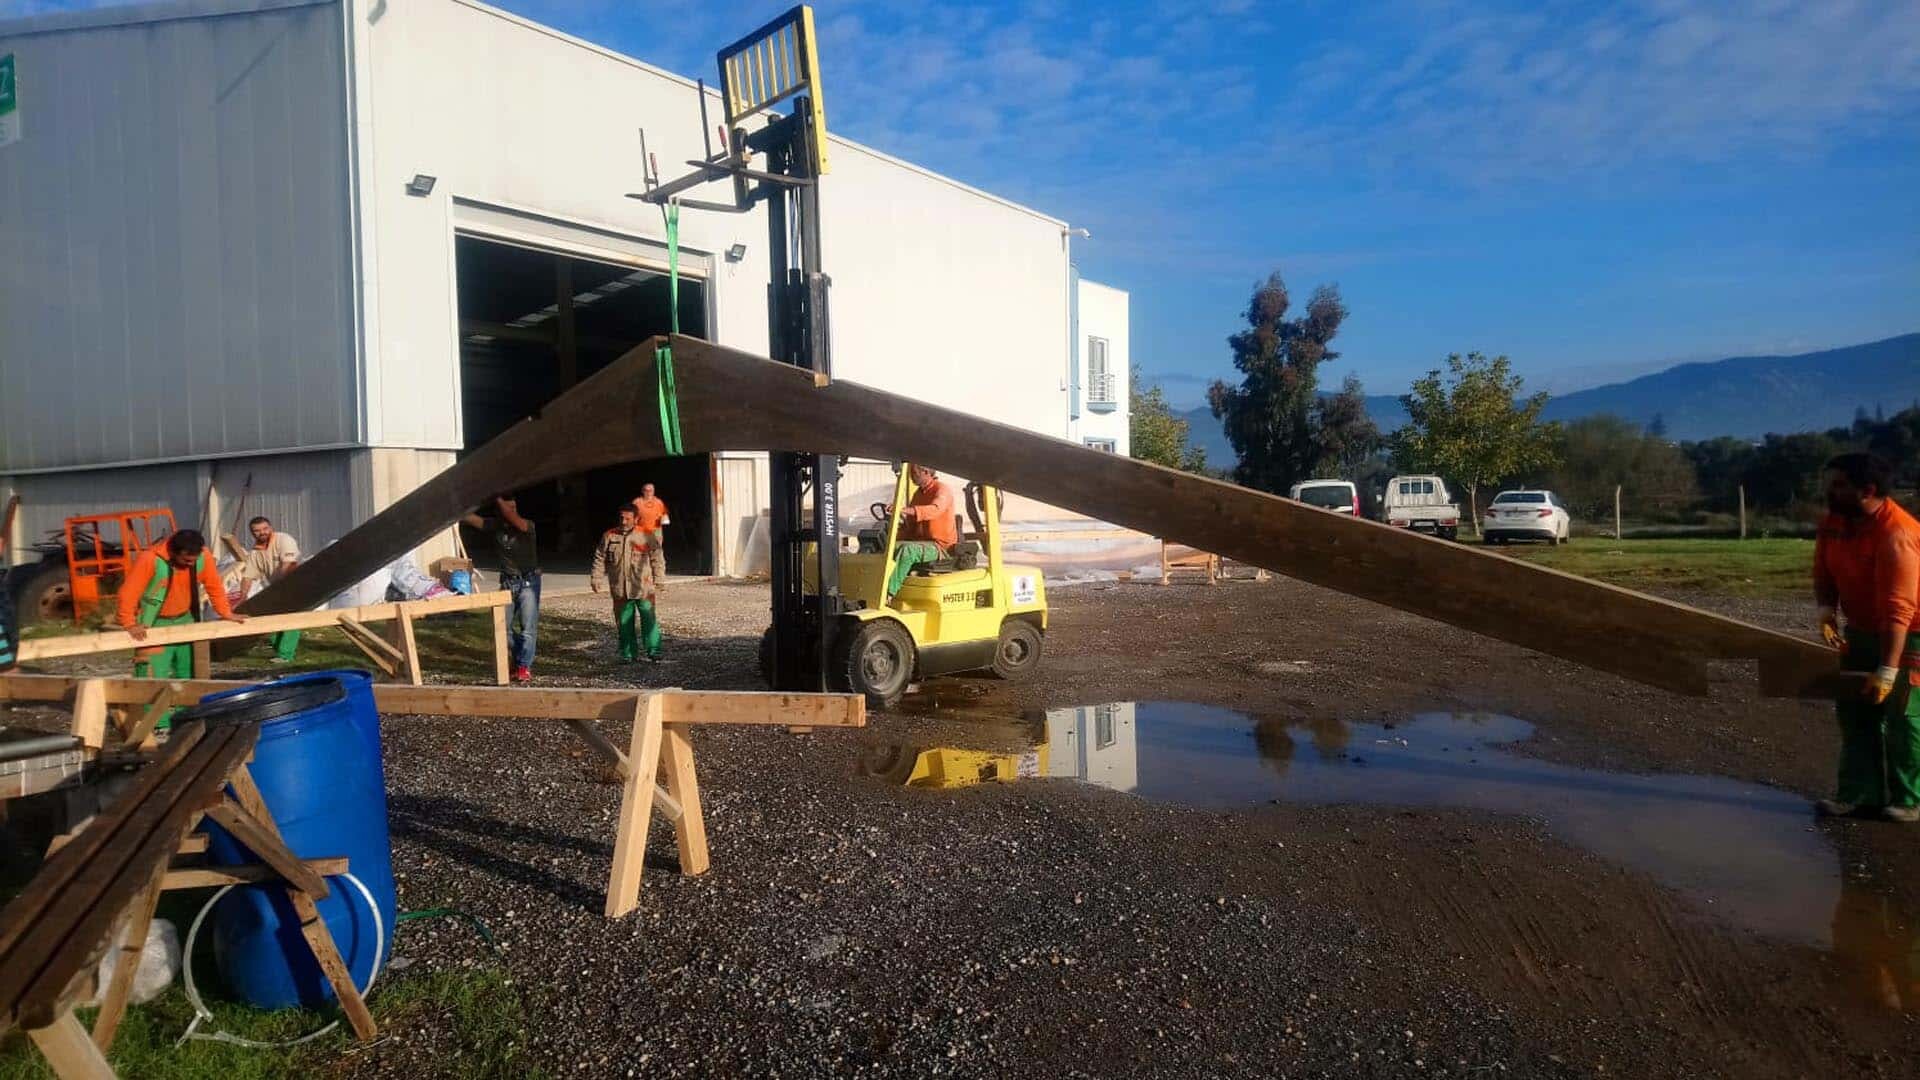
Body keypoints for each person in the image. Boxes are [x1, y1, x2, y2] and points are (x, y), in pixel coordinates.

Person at [1812, 452, 1920, 824]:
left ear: (1867, 490)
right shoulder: (1834, 522)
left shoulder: (1897, 533)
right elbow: (1823, 569)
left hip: (1909, 634)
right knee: (1855, 712)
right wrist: (1826, 610)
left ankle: (1909, 798)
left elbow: (1899, 607)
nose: (1831, 490)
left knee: (1904, 718)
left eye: (1840, 484)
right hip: (1860, 629)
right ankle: (1859, 794)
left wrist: (1888, 669)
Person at [117, 529, 246, 693]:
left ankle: (186, 717)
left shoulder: (203, 556)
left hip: (186, 620)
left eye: (194, 559)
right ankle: (156, 719)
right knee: (151, 680)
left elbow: (214, 586)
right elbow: (128, 593)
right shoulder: (149, 559)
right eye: (186, 560)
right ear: (172, 552)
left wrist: (226, 613)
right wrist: (129, 623)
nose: (191, 563)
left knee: (189, 676)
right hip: (153, 625)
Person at [464, 494, 539, 683]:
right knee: (502, 627)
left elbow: (513, 518)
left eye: (514, 508)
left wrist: (496, 497)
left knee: (527, 628)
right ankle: (519, 657)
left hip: (528, 582)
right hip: (507, 582)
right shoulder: (496, 526)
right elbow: (470, 518)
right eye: (508, 508)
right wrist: (456, 505)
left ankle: (523, 667)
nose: (512, 512)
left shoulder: (527, 526)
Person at [591, 504, 663, 663]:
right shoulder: (609, 536)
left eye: (627, 518)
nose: (623, 521)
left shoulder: (646, 535)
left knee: (649, 619)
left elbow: (657, 557)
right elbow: (599, 558)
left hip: (644, 588)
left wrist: (659, 579)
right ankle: (628, 655)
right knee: (624, 623)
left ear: (636, 519)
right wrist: (596, 578)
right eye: (621, 518)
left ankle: (654, 651)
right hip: (620, 588)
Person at [886, 463, 958, 597]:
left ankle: (888, 594)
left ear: (925, 471)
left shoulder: (941, 490)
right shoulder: (918, 494)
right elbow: (912, 522)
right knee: (887, 547)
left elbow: (935, 510)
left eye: (914, 473)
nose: (911, 477)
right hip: (922, 543)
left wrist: (905, 509)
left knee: (907, 551)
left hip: (940, 547)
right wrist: (897, 529)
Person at [243, 516, 302, 663]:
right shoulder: (255, 552)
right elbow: (248, 576)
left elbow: (289, 565)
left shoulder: (284, 540)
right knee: (268, 618)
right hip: (276, 588)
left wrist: (280, 587)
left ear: (270, 528)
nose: (262, 533)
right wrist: (242, 597)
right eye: (257, 531)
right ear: (252, 533)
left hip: (294, 584)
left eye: (265, 529)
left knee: (292, 619)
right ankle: (279, 650)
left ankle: (285, 655)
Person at [630, 483, 670, 588]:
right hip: (640, 532)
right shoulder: (637, 502)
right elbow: (631, 517)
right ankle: (643, 581)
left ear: (654, 491)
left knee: (657, 557)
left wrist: (664, 519)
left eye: (650, 490)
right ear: (642, 491)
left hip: (655, 532)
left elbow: (664, 514)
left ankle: (659, 582)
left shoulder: (659, 502)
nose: (648, 492)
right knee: (641, 557)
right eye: (646, 490)